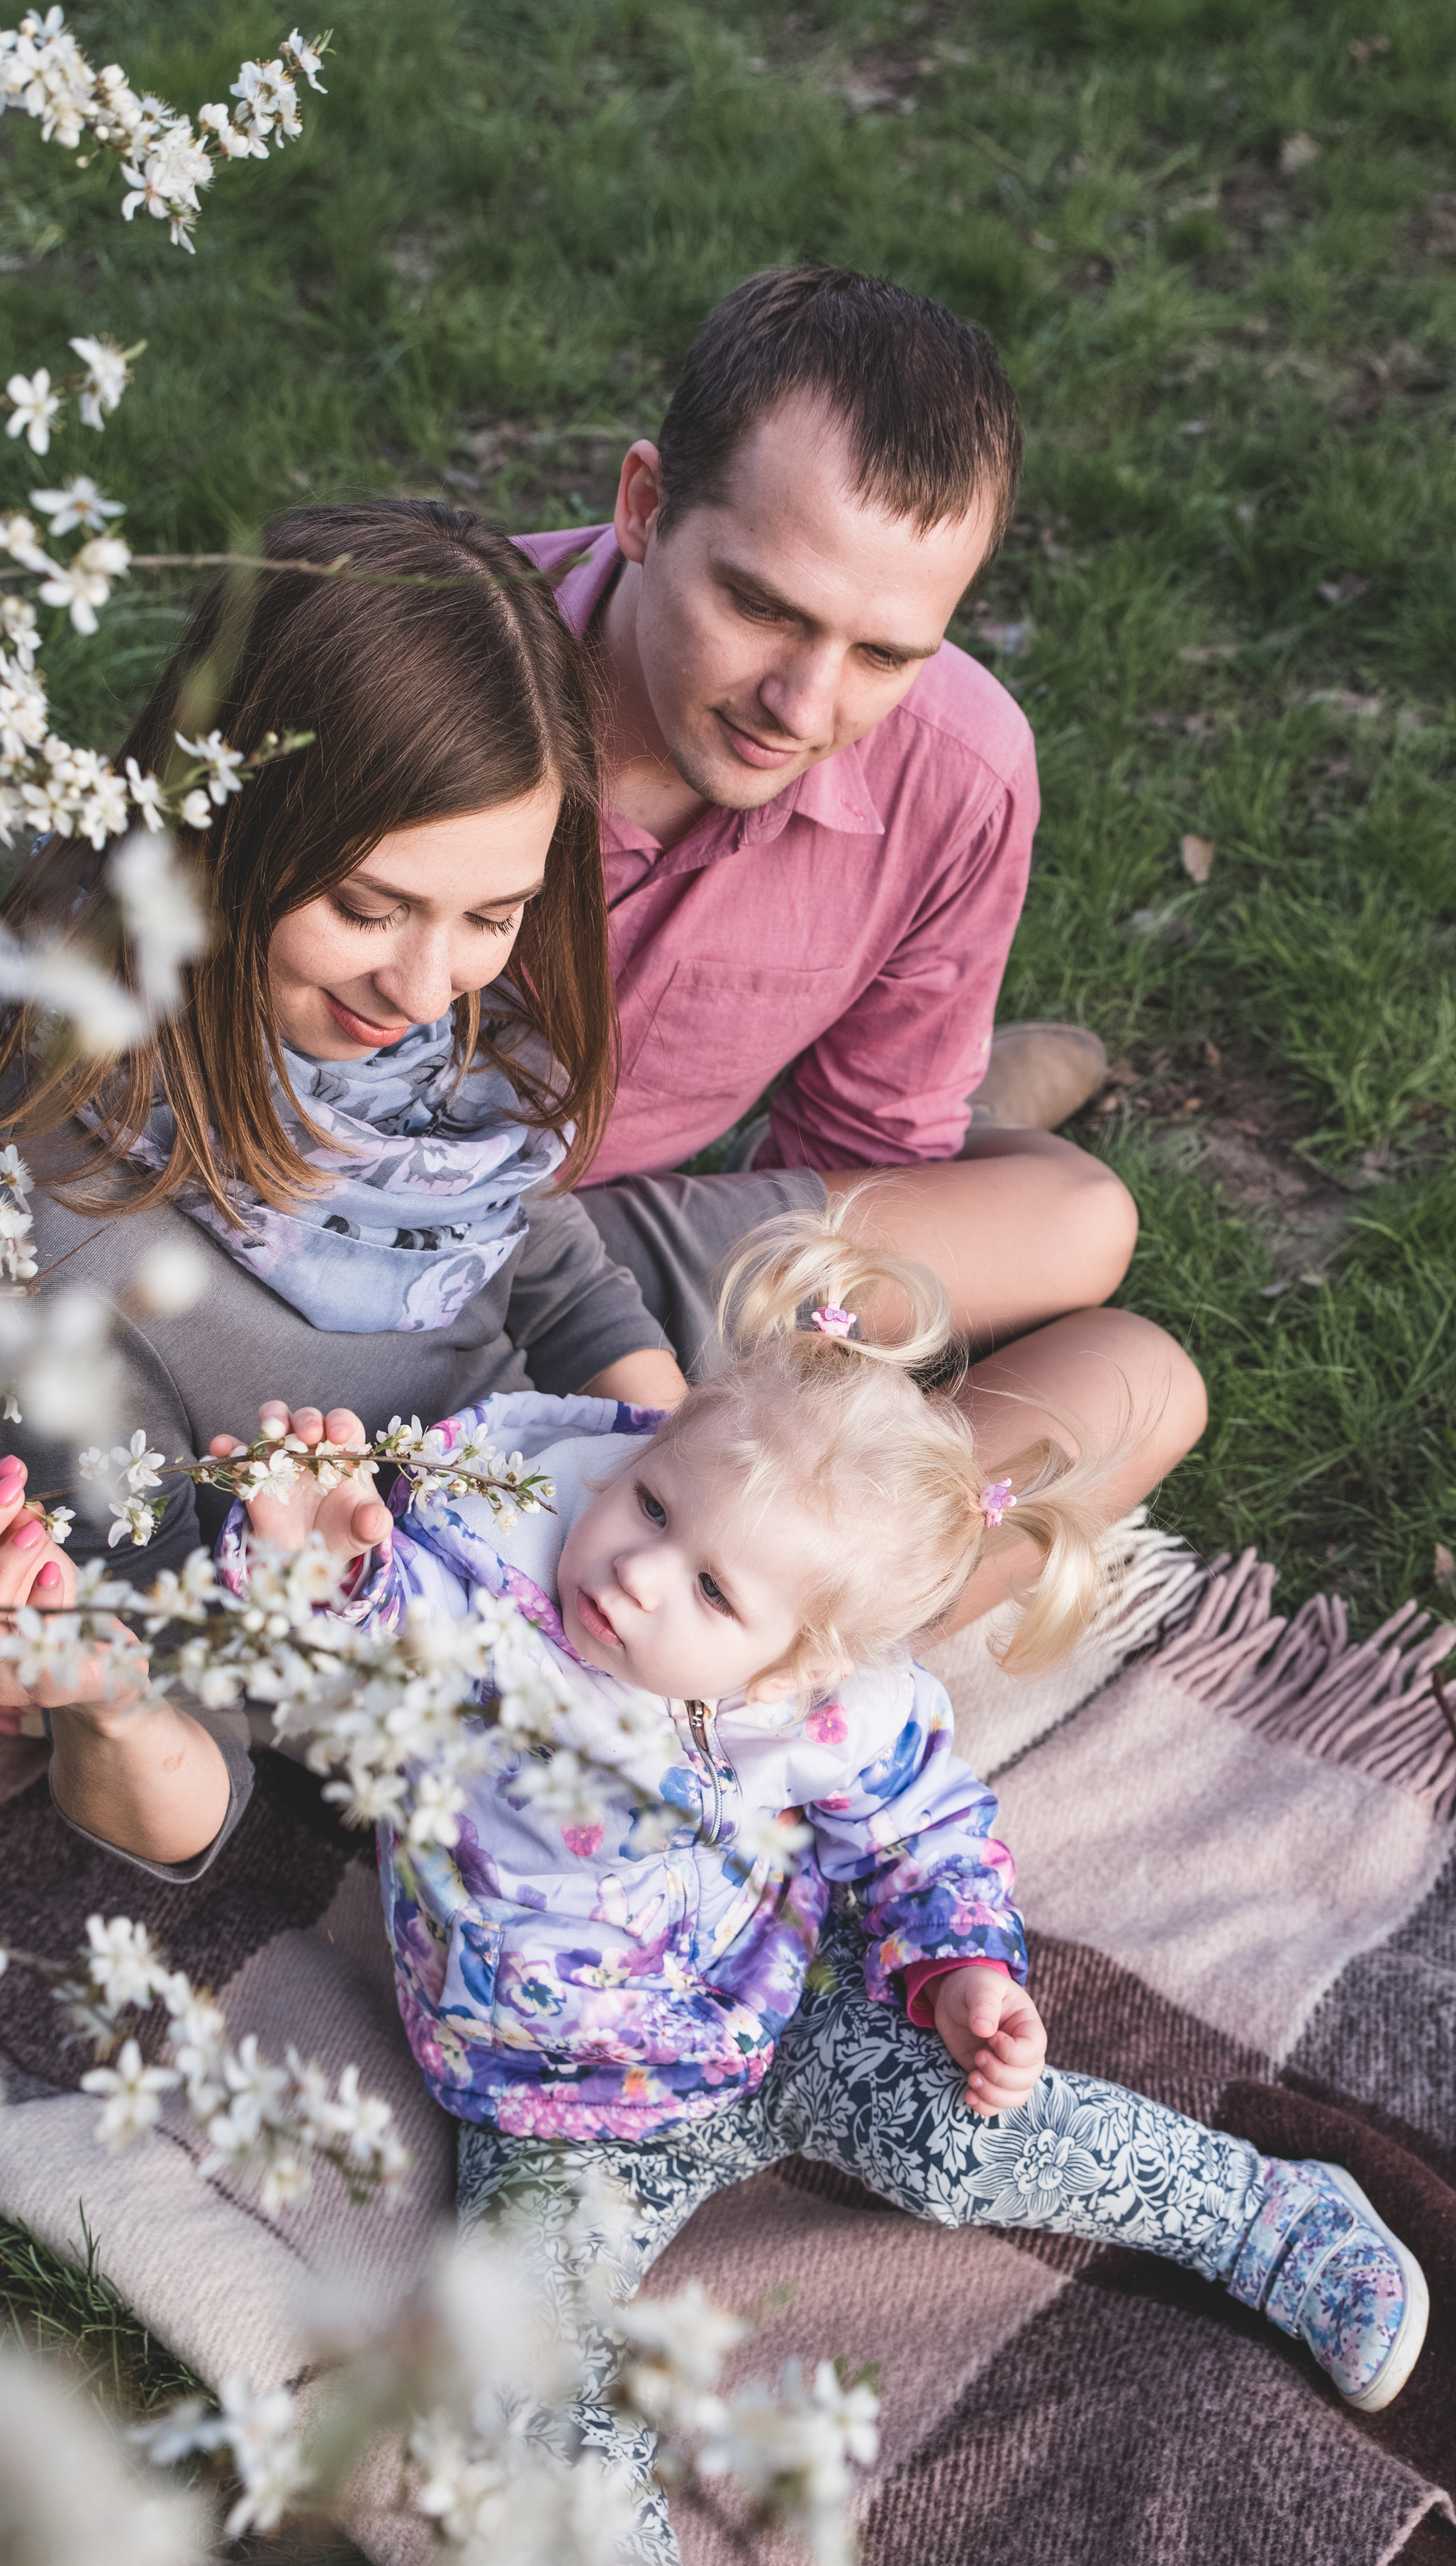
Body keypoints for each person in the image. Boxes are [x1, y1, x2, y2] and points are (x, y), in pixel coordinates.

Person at [38, 1204, 1428, 2566]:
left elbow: (924, 1834)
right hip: (549, 2107)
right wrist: (314, 1556)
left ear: (789, 1669)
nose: (637, 1569)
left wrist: (962, 1972)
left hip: (787, 2018)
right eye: (652, 1501)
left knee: (967, 2133)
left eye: (711, 1589)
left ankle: (1263, 2218)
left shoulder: (826, 1715)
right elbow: (367, 1632)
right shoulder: (491, 1562)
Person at [0, 498, 687, 1855]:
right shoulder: (65, 1239)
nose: (427, 987)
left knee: (1047, 1274)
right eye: (368, 907)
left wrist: (690, 1468)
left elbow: (550, 1265)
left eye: (492, 916)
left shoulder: (418, 1020)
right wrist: (111, 1711)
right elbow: (185, 1731)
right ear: (222, 831)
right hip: (396, 1639)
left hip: (565, 1491)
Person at [515, 265, 1209, 1629]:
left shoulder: (956, 767)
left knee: (1113, 1297)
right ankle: (819, 1652)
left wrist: (803, 1462)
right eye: (763, 606)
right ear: (644, 505)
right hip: (430, 1240)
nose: (804, 703)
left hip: (649, 1241)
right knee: (1077, 1234)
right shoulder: (425, 680)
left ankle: (984, 1111)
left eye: (886, 653)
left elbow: (861, 1154)